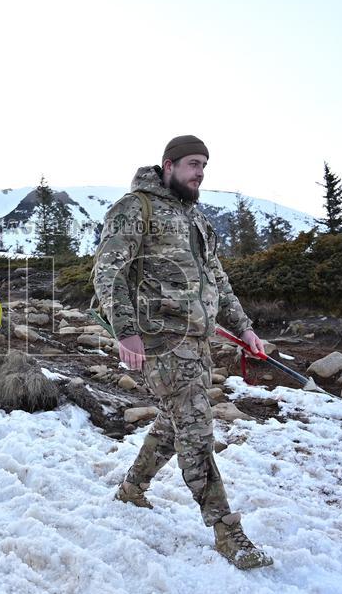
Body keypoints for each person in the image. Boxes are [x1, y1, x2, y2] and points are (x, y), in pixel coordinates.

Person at [91, 134, 273, 570]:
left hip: (197, 342)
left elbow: (219, 282)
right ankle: (227, 531)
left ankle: (132, 489)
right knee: (195, 427)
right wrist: (125, 331)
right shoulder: (137, 208)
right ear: (168, 165)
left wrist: (246, 330)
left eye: (204, 165)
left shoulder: (197, 221)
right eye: (193, 164)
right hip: (159, 341)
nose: (200, 173)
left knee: (174, 424)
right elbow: (107, 271)